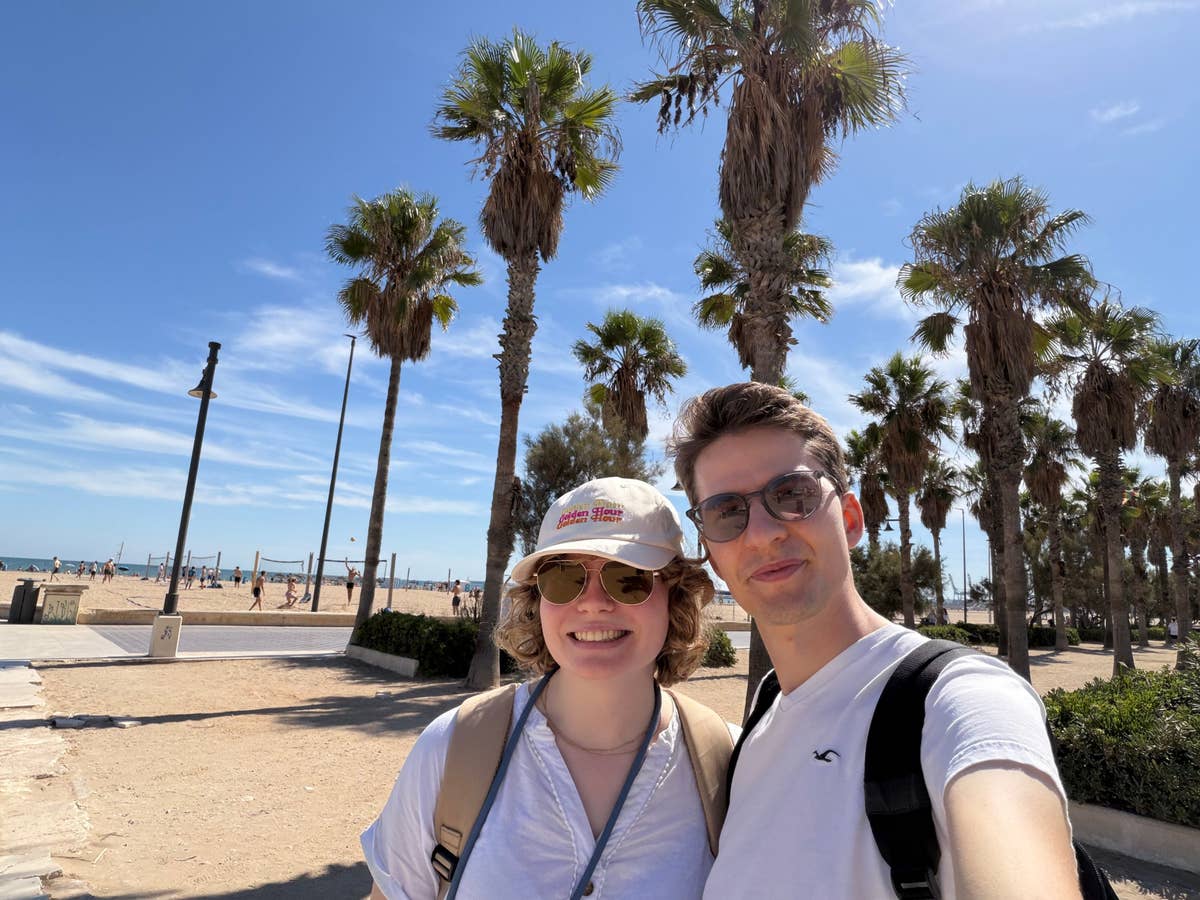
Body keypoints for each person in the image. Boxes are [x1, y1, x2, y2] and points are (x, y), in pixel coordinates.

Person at [668, 382, 1081, 899]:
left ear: (849, 519)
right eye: (727, 512)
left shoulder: (957, 699)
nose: (761, 533)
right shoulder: (766, 709)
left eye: (792, 495)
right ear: (709, 549)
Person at [362, 477, 731, 899]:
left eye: (628, 577)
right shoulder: (450, 747)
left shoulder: (728, 766)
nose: (592, 602)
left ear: (675, 596)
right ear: (538, 601)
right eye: (563, 578)